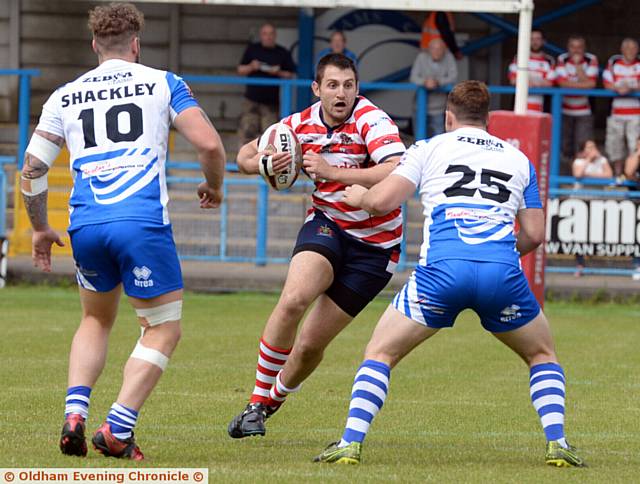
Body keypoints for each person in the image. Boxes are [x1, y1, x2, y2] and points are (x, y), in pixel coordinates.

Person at [313, 80, 586, 468]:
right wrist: (503, 255)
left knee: (380, 353)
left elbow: (382, 200)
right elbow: (536, 234)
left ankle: (350, 443)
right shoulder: (519, 158)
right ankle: (558, 443)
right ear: (488, 119)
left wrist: (359, 197)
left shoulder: (429, 147)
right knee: (542, 354)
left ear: (448, 117)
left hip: (441, 273)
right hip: (501, 274)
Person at [20, 3, 225, 460]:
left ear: (95, 45)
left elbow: (32, 169)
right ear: (136, 44)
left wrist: (39, 228)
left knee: (95, 319)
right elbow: (210, 143)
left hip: (86, 224)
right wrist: (213, 185)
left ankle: (75, 414)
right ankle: (118, 426)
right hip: (141, 222)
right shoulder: (163, 82)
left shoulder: (65, 95)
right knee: (162, 329)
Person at [227, 53, 406, 439]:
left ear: (357, 88)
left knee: (309, 346)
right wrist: (264, 163)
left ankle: (272, 401)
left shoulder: (371, 120)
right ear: (317, 89)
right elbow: (242, 156)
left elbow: (396, 168)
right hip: (327, 226)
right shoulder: (300, 124)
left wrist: (332, 172)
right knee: (294, 298)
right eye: (332, 85)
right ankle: (256, 403)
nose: (341, 93)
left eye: (348, 85)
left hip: (376, 249)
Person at [236, 23, 296, 149]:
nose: (268, 37)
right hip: (251, 100)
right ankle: (244, 162)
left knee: (270, 135)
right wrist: (252, 66)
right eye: (265, 34)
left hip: (271, 102)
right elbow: (240, 70)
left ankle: (267, 162)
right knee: (247, 131)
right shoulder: (253, 49)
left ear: (275, 36)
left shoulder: (282, 52)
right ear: (261, 35)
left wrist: (277, 72)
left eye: (270, 34)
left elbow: (290, 74)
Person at [555, 35, 599, 171]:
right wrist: (581, 84)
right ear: (568, 47)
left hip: (584, 110)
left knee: (582, 144)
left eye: (579, 47)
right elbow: (561, 83)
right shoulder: (562, 59)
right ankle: (567, 173)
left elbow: (591, 84)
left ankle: (579, 176)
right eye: (573, 47)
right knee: (565, 145)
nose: (576, 50)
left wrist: (578, 67)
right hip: (564, 109)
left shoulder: (591, 59)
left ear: (584, 48)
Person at [571, 140, 612, 277]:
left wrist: (590, 176)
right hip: (580, 203)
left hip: (597, 202)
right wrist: (588, 160)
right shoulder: (578, 162)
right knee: (579, 235)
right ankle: (580, 264)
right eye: (588, 147)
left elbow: (609, 175)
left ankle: (596, 264)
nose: (592, 150)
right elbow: (578, 174)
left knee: (597, 232)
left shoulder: (603, 160)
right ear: (583, 150)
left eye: (593, 147)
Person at [603, 38, 640, 179]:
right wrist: (619, 88)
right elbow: (606, 83)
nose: (630, 50)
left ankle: (631, 176)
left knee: (634, 146)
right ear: (622, 49)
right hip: (616, 113)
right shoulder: (614, 62)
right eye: (627, 48)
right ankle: (618, 176)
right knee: (615, 146)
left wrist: (630, 87)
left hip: (636, 114)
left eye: (633, 48)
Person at [410, 38, 458, 138]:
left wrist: (438, 82)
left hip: (438, 107)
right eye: (433, 49)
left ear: (444, 50)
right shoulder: (421, 57)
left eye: (439, 49)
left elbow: (453, 77)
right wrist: (425, 82)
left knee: (438, 139)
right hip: (419, 106)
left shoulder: (449, 57)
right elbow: (413, 77)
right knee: (419, 140)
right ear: (429, 49)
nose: (436, 51)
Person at [508, 29, 556, 112]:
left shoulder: (549, 60)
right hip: (519, 107)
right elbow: (512, 80)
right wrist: (538, 81)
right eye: (532, 39)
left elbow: (550, 83)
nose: (535, 42)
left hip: (542, 106)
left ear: (543, 41)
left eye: (538, 39)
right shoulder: (519, 58)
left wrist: (527, 81)